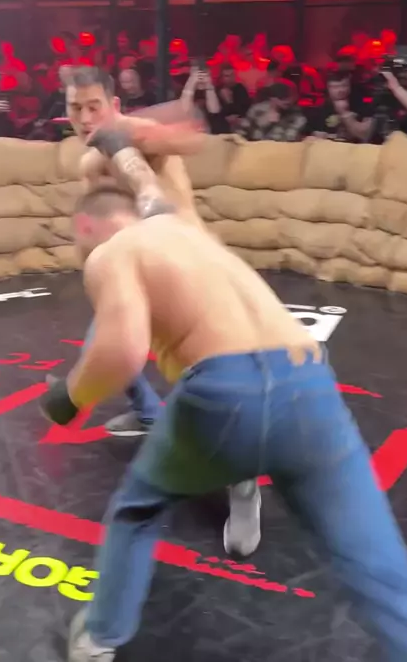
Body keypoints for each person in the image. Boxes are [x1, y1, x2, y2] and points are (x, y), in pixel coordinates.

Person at [42, 134, 407, 662]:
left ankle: (99, 636)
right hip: (310, 383)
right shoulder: (183, 227)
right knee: (385, 573)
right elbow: (147, 182)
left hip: (225, 393)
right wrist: (122, 146)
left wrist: (67, 399)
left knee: (137, 511)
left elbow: (121, 352)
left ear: (85, 226)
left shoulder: (111, 253)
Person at [63, 65, 262, 556]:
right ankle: (149, 413)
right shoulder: (89, 163)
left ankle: (243, 484)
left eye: (94, 106)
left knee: (212, 386)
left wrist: (140, 130)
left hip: (193, 272)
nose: (85, 117)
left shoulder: (137, 136)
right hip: (143, 275)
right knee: (107, 341)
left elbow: (188, 139)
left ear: (113, 105)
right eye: (75, 108)